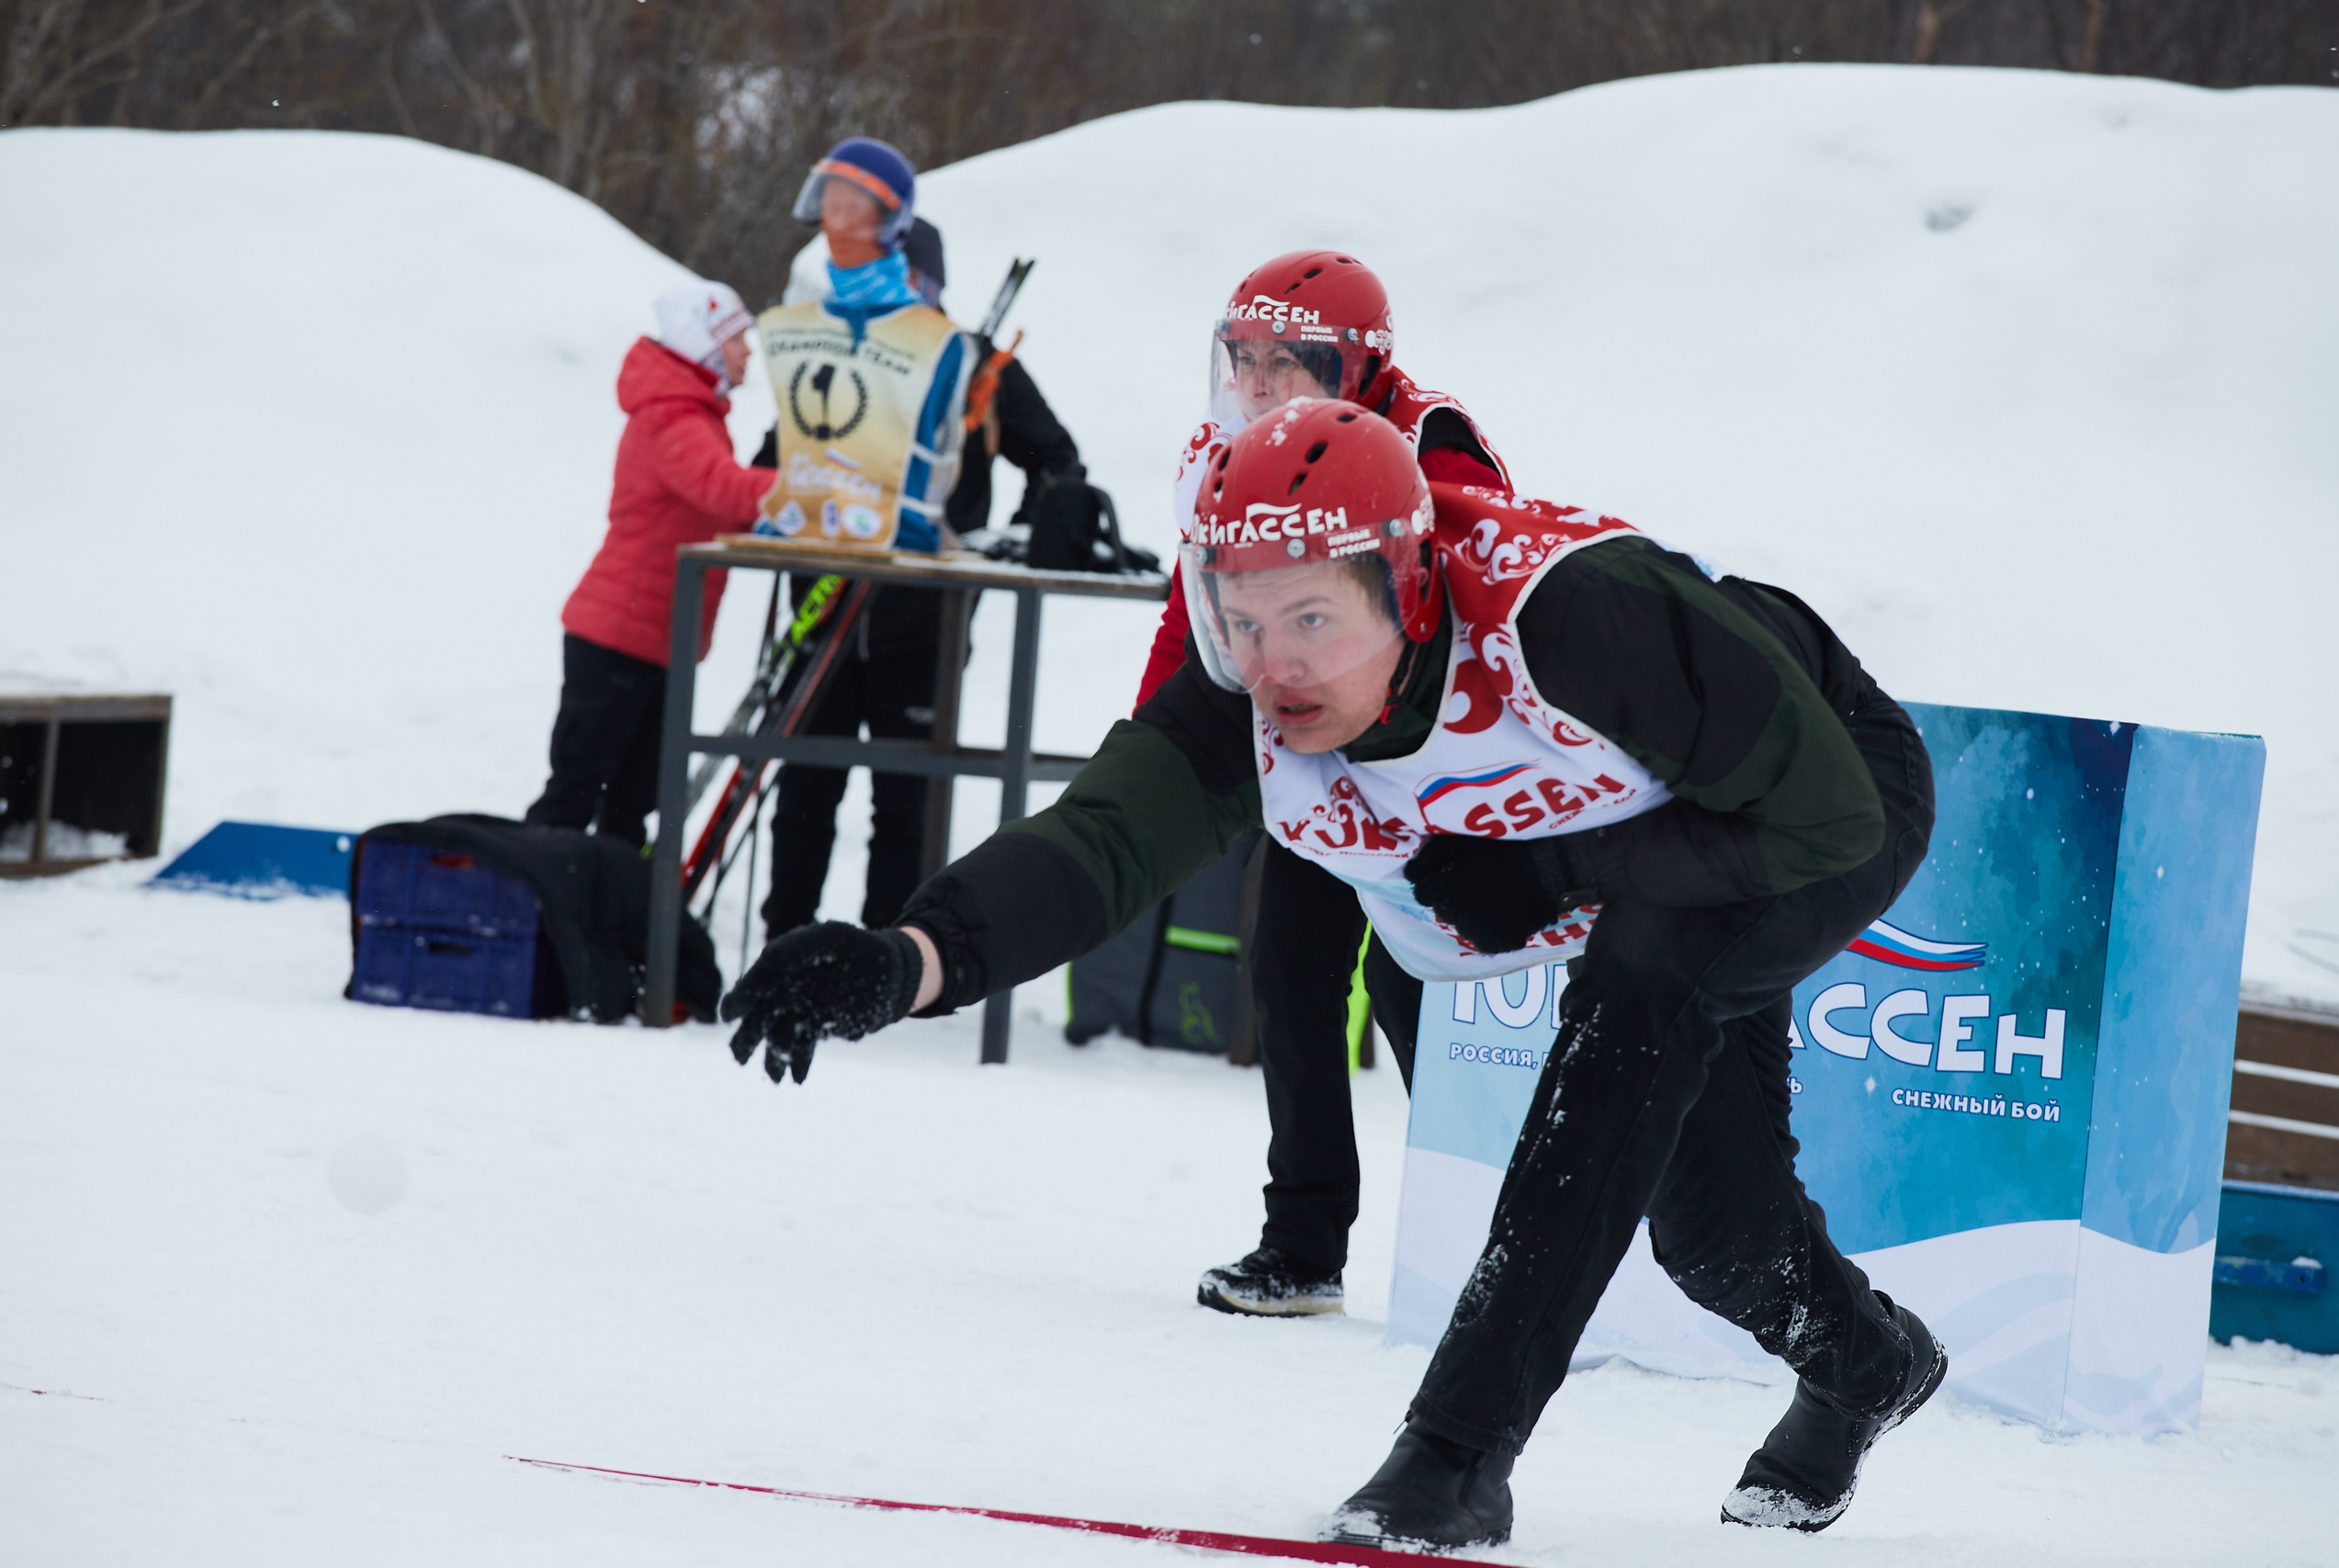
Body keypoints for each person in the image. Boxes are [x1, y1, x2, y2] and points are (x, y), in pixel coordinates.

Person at [718, 397, 1948, 1546]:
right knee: (1713, 1233)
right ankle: (1867, 1363)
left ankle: (1456, 1455)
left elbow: (1825, 819)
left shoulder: (1573, 616)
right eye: (1240, 620)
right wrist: (908, 957)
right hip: (1658, 832)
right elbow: (1100, 841)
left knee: (1643, 979)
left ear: (1407, 593)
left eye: (1312, 619)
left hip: (1822, 788)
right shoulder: (1253, 699)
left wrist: (1562, 867)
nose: (1275, 664)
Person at [1145, 252, 1512, 1321]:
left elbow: (1482, 606)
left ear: (1355, 369)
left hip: (1426, 780)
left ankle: (1503, 1251)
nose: (1257, 384)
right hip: (1309, 762)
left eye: (1286, 362)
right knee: (1292, 983)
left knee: (1419, 1009)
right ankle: (1302, 1248)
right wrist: (1156, 749)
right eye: (1242, 360)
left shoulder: (1432, 442)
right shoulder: (1230, 456)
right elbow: (1193, 612)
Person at [750, 149, 1085, 938]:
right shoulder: (841, 353)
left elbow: (1058, 460)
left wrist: (1007, 538)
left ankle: (890, 955)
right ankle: (783, 941)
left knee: (907, 795)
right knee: (806, 785)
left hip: (926, 618)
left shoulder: (973, 365)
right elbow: (775, 461)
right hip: (822, 603)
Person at [525, 282, 775, 845]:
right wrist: (806, 490)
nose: (748, 352)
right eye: (737, 340)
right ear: (705, 344)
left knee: (630, 802)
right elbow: (722, 488)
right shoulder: (673, 416)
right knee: (576, 795)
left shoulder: (695, 416)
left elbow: (718, 511)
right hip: (618, 636)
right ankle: (533, 917)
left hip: (654, 638)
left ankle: (606, 920)